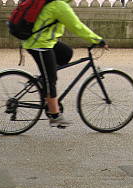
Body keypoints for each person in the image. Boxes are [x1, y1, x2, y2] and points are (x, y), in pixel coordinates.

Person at [23, 0, 106, 128]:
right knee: (51, 79)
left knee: (66, 53)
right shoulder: (59, 6)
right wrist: (97, 40)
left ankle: (43, 81)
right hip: (39, 44)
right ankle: (55, 115)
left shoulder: (57, 3)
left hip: (45, 40)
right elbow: (77, 27)